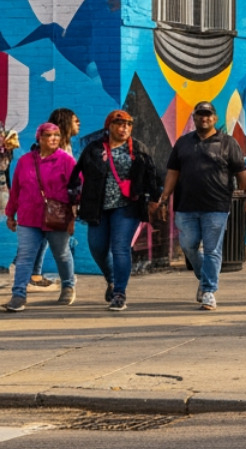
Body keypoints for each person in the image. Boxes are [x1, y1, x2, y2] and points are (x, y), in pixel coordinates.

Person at [150, 100, 246, 311]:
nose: (204, 118)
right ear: (194, 118)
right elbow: (173, 172)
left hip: (216, 206)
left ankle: (208, 291)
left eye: (208, 115)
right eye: (200, 114)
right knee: (188, 246)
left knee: (212, 249)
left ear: (214, 119)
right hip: (185, 205)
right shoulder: (183, 143)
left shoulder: (228, 143)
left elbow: (241, 172)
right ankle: (204, 276)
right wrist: (164, 196)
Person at [70, 110, 161, 311]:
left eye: (128, 125)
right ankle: (111, 279)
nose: (124, 128)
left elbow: (151, 175)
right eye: (120, 124)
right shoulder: (94, 149)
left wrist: (154, 199)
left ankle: (119, 293)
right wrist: (74, 200)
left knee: (120, 247)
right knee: (97, 248)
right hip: (97, 206)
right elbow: (77, 175)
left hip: (127, 207)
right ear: (109, 126)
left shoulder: (138, 149)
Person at [3, 123, 76, 311]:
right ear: (39, 138)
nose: (53, 138)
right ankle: (18, 295)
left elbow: (78, 188)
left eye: (56, 135)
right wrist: (10, 214)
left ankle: (68, 285)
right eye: (49, 135)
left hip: (57, 217)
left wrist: (74, 215)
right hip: (29, 217)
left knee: (61, 253)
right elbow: (16, 190)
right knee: (25, 256)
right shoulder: (25, 161)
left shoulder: (66, 161)